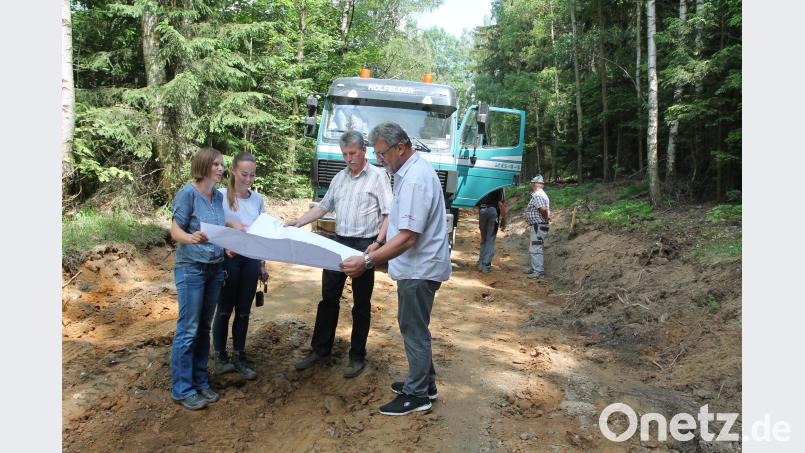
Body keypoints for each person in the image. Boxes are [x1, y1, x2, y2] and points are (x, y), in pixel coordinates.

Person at [341, 122, 451, 416]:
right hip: (417, 268)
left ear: (399, 148)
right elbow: (399, 221)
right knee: (415, 327)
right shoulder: (409, 172)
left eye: (381, 153)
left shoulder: (414, 178)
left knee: (414, 330)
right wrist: (378, 243)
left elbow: (408, 237)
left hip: (419, 269)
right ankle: (425, 384)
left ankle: (417, 396)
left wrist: (367, 261)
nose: (379, 159)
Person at [286, 130, 392, 379]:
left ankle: (357, 356)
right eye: (345, 154)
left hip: (366, 245)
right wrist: (299, 222)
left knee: (361, 304)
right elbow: (324, 206)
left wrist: (378, 243)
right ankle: (320, 351)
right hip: (339, 242)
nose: (349, 159)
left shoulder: (379, 177)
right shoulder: (339, 178)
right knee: (328, 299)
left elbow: (389, 213)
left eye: (353, 153)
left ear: (363, 151)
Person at [169, 147, 227, 411]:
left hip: (215, 269)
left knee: (204, 328)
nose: (220, 168)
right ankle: (182, 389)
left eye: (222, 165)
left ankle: (201, 381)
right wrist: (190, 238)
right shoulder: (188, 193)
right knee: (188, 329)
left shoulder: (217, 197)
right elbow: (175, 230)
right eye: (215, 164)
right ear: (203, 166)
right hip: (191, 268)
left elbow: (219, 230)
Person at [212, 152, 269, 380]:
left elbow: (263, 233)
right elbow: (211, 226)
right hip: (228, 260)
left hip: (251, 260)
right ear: (234, 171)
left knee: (244, 311)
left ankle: (239, 355)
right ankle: (219, 356)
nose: (248, 179)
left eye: (252, 175)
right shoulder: (219, 196)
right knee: (224, 309)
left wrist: (263, 264)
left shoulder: (257, 200)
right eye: (244, 174)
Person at [523, 175, 550, 279]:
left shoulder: (538, 195)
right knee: (534, 247)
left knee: (536, 248)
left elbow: (543, 209)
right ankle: (534, 269)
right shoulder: (540, 194)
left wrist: (546, 218)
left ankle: (538, 271)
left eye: (533, 183)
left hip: (538, 225)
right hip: (538, 225)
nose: (532, 185)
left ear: (537, 184)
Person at [476, 188, 507, 273]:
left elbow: (478, 203)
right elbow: (500, 203)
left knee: (484, 238)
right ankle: (486, 265)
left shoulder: (483, 185)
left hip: (482, 210)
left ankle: (480, 263)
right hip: (493, 211)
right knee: (490, 238)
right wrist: (504, 218)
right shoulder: (498, 186)